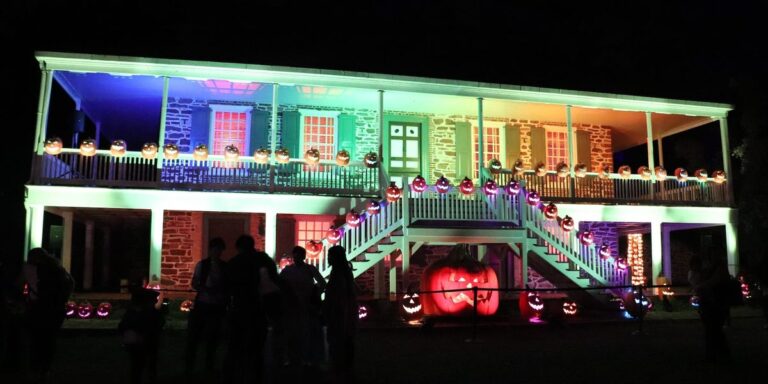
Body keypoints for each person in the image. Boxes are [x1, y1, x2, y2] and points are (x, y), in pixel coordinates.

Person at [223, 235, 278, 384]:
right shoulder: (263, 260)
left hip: (240, 307)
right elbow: (274, 280)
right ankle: (255, 375)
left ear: (239, 247)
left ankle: (235, 375)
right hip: (257, 307)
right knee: (256, 346)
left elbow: (227, 286)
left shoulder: (235, 263)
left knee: (236, 345)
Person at [19, 248, 74, 383]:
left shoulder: (33, 269)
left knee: (36, 340)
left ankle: (35, 368)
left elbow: (22, 285)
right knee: (49, 341)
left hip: (40, 309)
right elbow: (71, 283)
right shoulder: (59, 269)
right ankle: (45, 369)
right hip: (56, 310)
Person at [185, 238, 228, 373]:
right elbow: (194, 283)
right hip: (203, 303)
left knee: (213, 336)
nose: (218, 252)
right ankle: (192, 364)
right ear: (211, 250)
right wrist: (204, 289)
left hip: (216, 304)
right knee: (196, 335)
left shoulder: (224, 266)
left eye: (220, 250)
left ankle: (208, 364)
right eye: (216, 249)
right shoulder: (202, 265)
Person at [280, 246, 326, 368]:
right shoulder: (288, 270)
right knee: (293, 332)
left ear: (304, 257)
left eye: (299, 255)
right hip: (292, 305)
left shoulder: (309, 269)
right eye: (295, 255)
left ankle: (306, 358)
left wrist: (315, 296)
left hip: (306, 305)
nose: (297, 258)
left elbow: (322, 283)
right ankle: (293, 357)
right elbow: (280, 284)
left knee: (306, 332)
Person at [323, 245, 357, 384]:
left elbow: (338, 295)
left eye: (330, 255)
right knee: (344, 340)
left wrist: (329, 308)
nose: (328, 258)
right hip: (343, 311)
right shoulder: (343, 272)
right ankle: (342, 367)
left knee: (338, 340)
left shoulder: (339, 274)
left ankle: (339, 367)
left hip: (340, 311)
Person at [690, 251, 731, 364]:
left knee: (713, 329)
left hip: (714, 302)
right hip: (711, 302)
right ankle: (719, 354)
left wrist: (700, 286)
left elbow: (713, 282)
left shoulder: (716, 270)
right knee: (713, 329)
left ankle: (715, 355)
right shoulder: (711, 269)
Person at [119, 287, 165, 384]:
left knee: (138, 365)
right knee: (141, 364)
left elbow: (122, 327)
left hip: (140, 342)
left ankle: (141, 378)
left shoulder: (132, 313)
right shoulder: (148, 313)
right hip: (144, 342)